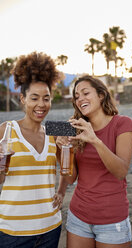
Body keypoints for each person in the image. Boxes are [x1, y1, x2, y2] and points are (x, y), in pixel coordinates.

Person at [56, 75, 132, 248]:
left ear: (101, 95)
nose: (80, 99)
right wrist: (60, 149)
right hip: (78, 217)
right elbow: (71, 179)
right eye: (77, 96)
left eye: (86, 93)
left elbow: (121, 171)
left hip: (111, 219)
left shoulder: (123, 124)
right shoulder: (75, 128)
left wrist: (95, 140)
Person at [0, 51, 66, 248]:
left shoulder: (55, 130)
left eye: (46, 98)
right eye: (34, 98)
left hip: (51, 227)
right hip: (13, 231)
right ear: (22, 99)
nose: (41, 105)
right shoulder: (6, 130)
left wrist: (61, 191)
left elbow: (71, 169)